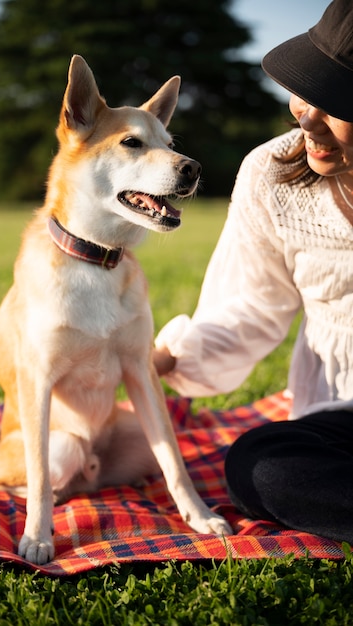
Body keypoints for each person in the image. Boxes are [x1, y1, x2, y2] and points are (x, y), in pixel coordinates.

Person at [153, 0, 353, 544]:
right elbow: (248, 308)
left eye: (335, 102)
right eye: (306, 90)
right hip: (341, 420)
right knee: (260, 466)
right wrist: (161, 359)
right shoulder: (270, 174)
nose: (306, 114)